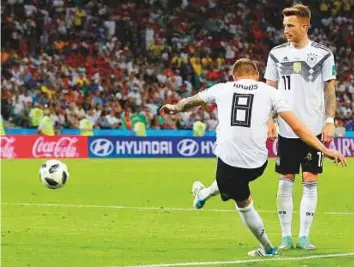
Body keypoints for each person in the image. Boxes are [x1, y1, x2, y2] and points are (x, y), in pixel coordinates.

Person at [159, 58, 346, 257]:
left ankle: (267, 248)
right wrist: (326, 151)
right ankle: (203, 194)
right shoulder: (271, 92)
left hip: (229, 161)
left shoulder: (222, 88)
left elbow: (192, 101)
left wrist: (175, 108)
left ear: (234, 76)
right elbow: (298, 128)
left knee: (241, 199)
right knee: (231, 182)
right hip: (258, 163)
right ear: (257, 76)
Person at [264, 4, 337, 250]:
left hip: (313, 128)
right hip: (285, 128)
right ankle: (286, 237)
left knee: (310, 178)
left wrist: (329, 121)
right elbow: (269, 90)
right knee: (286, 179)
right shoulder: (276, 54)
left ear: (305, 26)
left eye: (290, 25)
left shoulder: (323, 54)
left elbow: (330, 90)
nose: (285, 30)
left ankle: (304, 236)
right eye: (284, 25)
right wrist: (270, 119)